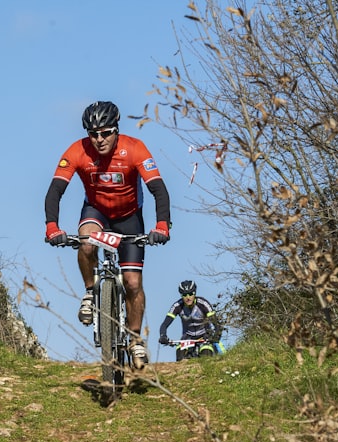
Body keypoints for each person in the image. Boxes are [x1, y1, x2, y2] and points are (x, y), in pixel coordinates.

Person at [43, 100, 171, 370]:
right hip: (96, 211)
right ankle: (90, 293)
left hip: (129, 217)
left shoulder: (135, 149)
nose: (99, 139)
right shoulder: (77, 151)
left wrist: (162, 225)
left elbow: (158, 189)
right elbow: (55, 190)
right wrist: (52, 227)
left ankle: (135, 338)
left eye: (105, 132)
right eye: (93, 134)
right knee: (86, 243)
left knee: (133, 283)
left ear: (116, 130)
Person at [158, 280, 223, 361]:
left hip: (204, 336)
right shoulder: (177, 306)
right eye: (184, 295)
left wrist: (216, 335)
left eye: (190, 294)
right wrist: (163, 336)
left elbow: (217, 324)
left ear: (195, 293)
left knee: (206, 355)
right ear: (181, 295)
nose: (188, 297)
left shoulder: (203, 303)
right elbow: (164, 324)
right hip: (187, 337)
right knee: (180, 356)